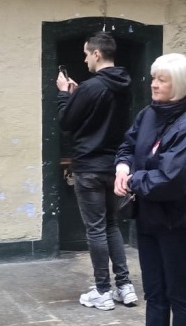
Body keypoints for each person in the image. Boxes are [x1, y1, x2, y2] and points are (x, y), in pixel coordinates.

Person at [113, 53, 186, 326]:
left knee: (179, 296)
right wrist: (122, 166)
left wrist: (133, 180)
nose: (153, 84)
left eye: (161, 79)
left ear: (178, 84)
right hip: (149, 219)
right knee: (154, 294)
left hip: (177, 224)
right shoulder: (149, 114)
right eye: (153, 78)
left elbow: (171, 179)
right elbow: (128, 144)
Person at [56, 31, 137, 311]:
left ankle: (102, 290)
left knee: (95, 229)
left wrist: (63, 95)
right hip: (114, 165)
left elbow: (66, 122)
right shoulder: (124, 85)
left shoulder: (91, 87)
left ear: (97, 54)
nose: (85, 59)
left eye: (86, 54)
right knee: (111, 225)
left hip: (89, 166)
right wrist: (77, 96)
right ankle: (124, 286)